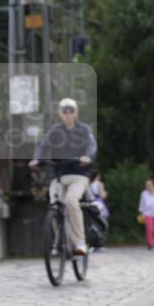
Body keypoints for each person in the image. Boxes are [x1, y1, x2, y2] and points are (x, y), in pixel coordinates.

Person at [29, 97, 97, 258]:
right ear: (59, 113)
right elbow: (43, 145)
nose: (67, 114)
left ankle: (80, 243)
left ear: (76, 113)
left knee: (71, 201)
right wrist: (37, 158)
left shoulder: (84, 129)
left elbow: (91, 145)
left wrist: (88, 156)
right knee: (55, 205)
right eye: (64, 111)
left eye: (70, 111)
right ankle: (60, 239)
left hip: (79, 175)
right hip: (58, 175)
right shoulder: (55, 131)